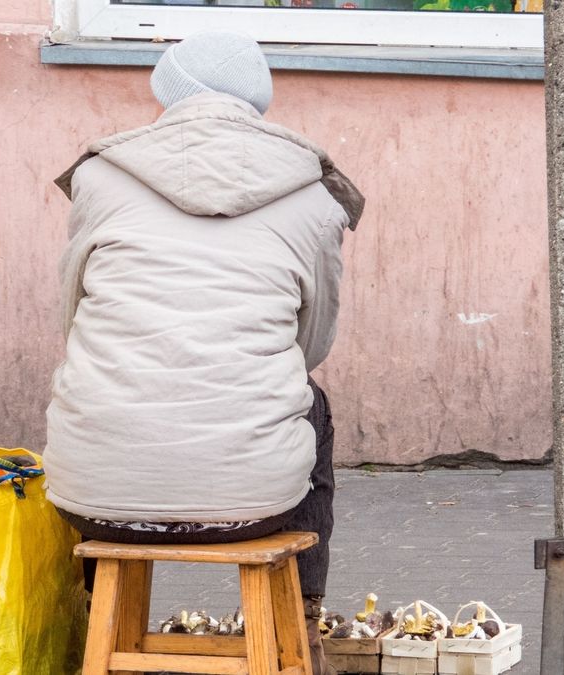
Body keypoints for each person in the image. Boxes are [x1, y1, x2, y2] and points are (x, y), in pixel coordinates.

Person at [44, 30, 362, 674]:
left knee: (91, 385)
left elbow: (74, 315)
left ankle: (85, 626)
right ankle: (301, 617)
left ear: (166, 91)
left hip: (96, 503)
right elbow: (312, 343)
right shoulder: (312, 191)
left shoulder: (101, 175)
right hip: (255, 505)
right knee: (312, 404)